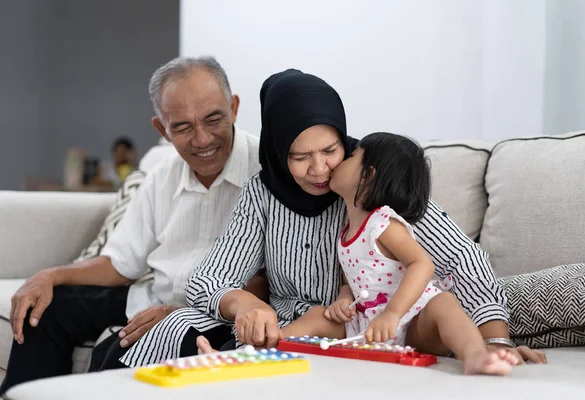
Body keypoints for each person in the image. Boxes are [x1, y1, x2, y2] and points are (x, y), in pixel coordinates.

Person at [120, 69, 546, 368]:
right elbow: (208, 280)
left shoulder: (373, 185)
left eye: (330, 151)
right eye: (300, 157)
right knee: (178, 324)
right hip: (294, 327)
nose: (319, 169)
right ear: (276, 152)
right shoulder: (263, 193)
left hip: (367, 326)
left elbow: (461, 261)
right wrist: (246, 303)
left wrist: (495, 339)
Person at [0, 56, 265, 395]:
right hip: (152, 297)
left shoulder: (267, 170)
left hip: (216, 315)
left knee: (121, 362)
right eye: (182, 127)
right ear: (162, 130)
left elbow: (273, 277)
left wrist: (181, 313)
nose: (202, 140)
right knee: (49, 306)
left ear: (234, 107)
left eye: (213, 119)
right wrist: (50, 276)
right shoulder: (161, 176)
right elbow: (120, 263)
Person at [322, 132, 519, 374]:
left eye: (351, 156)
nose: (339, 162)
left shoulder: (384, 223)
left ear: (368, 175)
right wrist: (343, 298)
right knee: (317, 315)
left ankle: (475, 355)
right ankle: (275, 338)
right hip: (369, 324)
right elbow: (350, 276)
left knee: (443, 302)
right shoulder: (345, 230)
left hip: (411, 321)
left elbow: (422, 263)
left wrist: (394, 313)